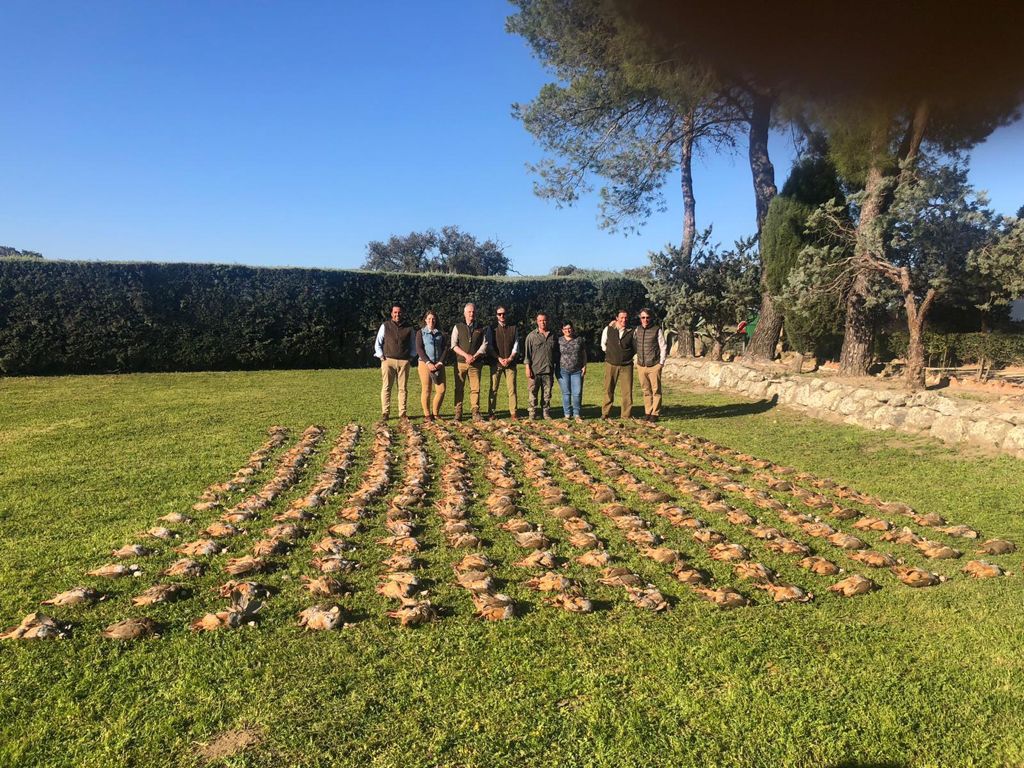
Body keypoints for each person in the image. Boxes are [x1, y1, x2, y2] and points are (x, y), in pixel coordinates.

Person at [374, 303, 416, 420]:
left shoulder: (409, 328)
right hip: (388, 360)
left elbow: (413, 344)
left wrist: (411, 357)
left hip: (404, 361)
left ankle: (402, 413)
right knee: (386, 387)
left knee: (402, 388)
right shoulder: (385, 326)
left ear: (403, 313)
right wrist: (381, 356)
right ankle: (385, 412)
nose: (397, 314)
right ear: (391, 313)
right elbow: (378, 342)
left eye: (399, 312)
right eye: (395, 312)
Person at [450, 302, 488, 421]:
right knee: (459, 388)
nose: (471, 314)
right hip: (461, 363)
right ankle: (458, 412)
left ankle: (475, 412)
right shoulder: (457, 327)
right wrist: (466, 355)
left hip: (475, 363)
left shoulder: (481, 328)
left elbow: (485, 344)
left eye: (473, 312)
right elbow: (453, 345)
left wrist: (474, 356)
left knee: (475, 389)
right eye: (469, 312)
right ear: (464, 313)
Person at [634, 308, 668, 422]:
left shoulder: (656, 330)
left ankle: (655, 413)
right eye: (643, 317)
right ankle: (648, 412)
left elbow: (663, 347)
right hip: (641, 365)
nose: (645, 320)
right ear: (640, 318)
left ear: (651, 318)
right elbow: (634, 344)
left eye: (647, 317)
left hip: (654, 365)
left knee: (656, 390)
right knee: (646, 390)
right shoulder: (637, 330)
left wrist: (661, 363)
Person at [600, 309, 635, 419]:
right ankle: (605, 412)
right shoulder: (609, 329)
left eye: (626, 318)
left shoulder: (632, 331)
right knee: (608, 389)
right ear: (617, 318)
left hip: (627, 365)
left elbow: (635, 347)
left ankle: (626, 414)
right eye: (621, 317)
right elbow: (603, 344)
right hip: (611, 363)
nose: (624, 320)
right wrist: (611, 353)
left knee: (627, 390)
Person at [486, 306, 519, 419]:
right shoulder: (491, 329)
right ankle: (491, 413)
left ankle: (513, 413)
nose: (502, 316)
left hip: (510, 363)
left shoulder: (513, 328)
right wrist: (499, 358)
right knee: (493, 389)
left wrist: (510, 358)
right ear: (496, 316)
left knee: (512, 389)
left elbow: (516, 345)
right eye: (499, 314)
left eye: (504, 313)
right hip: (496, 363)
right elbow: (489, 346)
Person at [415, 310, 448, 421]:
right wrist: (428, 362)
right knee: (426, 389)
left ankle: (436, 413)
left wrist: (440, 362)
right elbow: (419, 349)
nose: (431, 321)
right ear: (425, 320)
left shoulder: (441, 333)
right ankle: (427, 414)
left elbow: (445, 348)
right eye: (429, 318)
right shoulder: (420, 333)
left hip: (439, 365)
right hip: (424, 364)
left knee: (441, 389)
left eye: (433, 319)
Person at [524, 311, 558, 420]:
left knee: (547, 394)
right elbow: (527, 355)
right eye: (540, 320)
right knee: (532, 393)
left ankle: (546, 413)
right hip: (535, 371)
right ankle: (532, 413)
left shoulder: (553, 336)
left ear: (548, 321)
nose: (542, 322)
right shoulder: (531, 336)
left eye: (544, 320)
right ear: (537, 322)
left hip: (548, 370)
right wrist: (527, 368)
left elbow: (557, 353)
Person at [556, 321, 586, 421]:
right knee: (566, 393)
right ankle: (567, 414)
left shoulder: (579, 340)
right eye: (565, 329)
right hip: (563, 370)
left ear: (572, 329)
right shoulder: (559, 340)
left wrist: (584, 366)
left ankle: (577, 414)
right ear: (562, 330)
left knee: (577, 393)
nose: (567, 330)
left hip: (577, 370)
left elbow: (583, 353)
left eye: (569, 328)